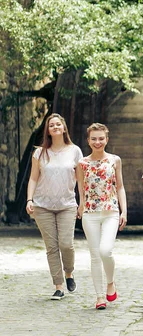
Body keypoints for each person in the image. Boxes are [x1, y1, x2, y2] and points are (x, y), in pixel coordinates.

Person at [26, 113, 83, 300]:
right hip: (43, 205)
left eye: (58, 124)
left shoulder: (75, 151)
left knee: (66, 245)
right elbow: (33, 178)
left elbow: (81, 181)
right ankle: (58, 286)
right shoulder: (39, 153)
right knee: (51, 247)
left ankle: (69, 273)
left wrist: (82, 202)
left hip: (67, 204)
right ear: (48, 130)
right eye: (52, 125)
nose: (55, 127)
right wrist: (29, 200)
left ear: (64, 128)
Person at [76, 123, 128, 310]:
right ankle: (99, 297)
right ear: (88, 140)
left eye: (101, 138)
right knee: (95, 255)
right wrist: (81, 205)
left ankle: (111, 281)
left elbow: (120, 186)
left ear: (107, 139)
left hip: (111, 211)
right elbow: (81, 187)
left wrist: (124, 211)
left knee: (106, 251)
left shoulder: (115, 160)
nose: (97, 142)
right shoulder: (82, 163)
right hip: (90, 212)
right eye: (94, 139)